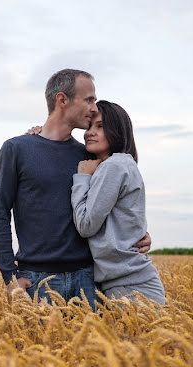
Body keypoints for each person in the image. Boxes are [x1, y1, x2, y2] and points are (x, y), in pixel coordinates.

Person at [0, 69, 150, 309]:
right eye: (89, 99)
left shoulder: (90, 157)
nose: (95, 107)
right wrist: (9, 276)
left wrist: (139, 235)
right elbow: (0, 213)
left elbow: (118, 202)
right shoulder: (16, 149)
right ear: (62, 100)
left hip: (89, 280)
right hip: (38, 281)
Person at [71, 100, 166, 305]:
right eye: (88, 127)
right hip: (130, 284)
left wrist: (82, 178)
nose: (89, 132)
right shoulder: (122, 164)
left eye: (100, 126)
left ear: (117, 130)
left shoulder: (113, 166)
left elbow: (86, 225)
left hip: (132, 287)